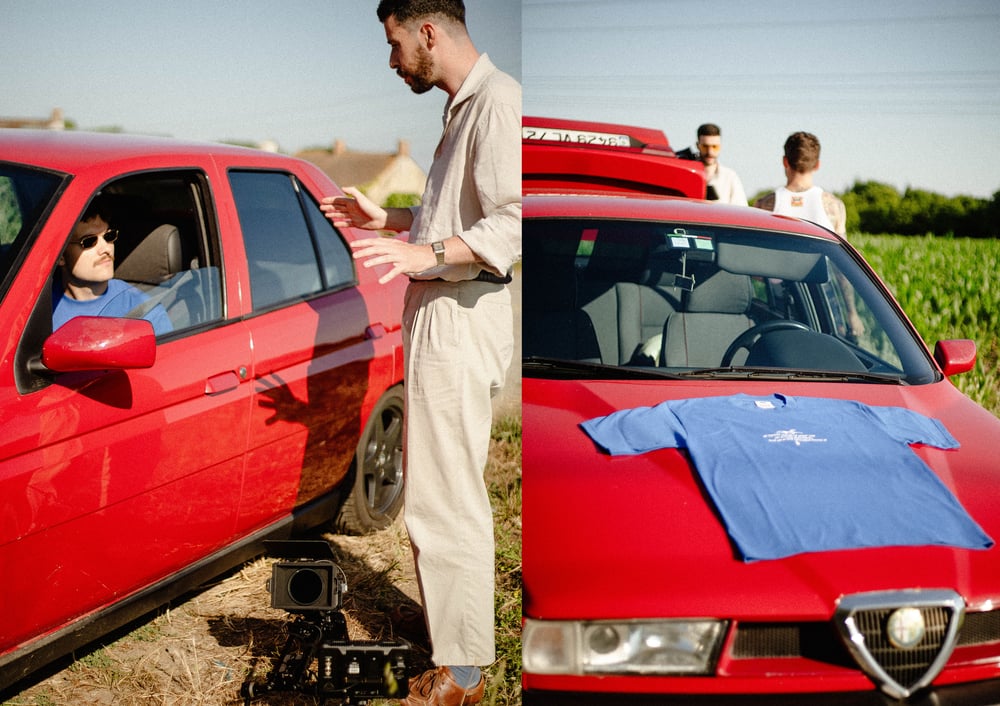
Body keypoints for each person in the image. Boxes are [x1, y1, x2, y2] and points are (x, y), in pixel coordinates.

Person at [320, 2, 520, 704]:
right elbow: (459, 216)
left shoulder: (498, 103)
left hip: (462, 315)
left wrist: (421, 251)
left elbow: (514, 221)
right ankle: (449, 637)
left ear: (427, 31)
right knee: (435, 488)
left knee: (446, 497)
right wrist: (392, 220)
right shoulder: (460, 108)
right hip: (445, 311)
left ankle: (462, 673)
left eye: (394, 42)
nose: (392, 58)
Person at [753, 131, 863, 338]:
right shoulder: (833, 207)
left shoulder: (764, 205)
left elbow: (755, 269)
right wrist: (852, 312)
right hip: (823, 298)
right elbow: (841, 269)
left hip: (775, 298)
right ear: (817, 164)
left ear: (785, 161)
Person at [53, 196, 172, 335]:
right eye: (89, 241)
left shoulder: (147, 314)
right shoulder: (37, 308)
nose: (106, 249)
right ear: (61, 255)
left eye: (108, 236)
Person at [678, 123, 748, 205]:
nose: (710, 152)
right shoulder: (685, 174)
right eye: (705, 147)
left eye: (715, 147)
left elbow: (740, 210)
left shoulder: (730, 177)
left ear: (720, 146)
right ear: (697, 146)